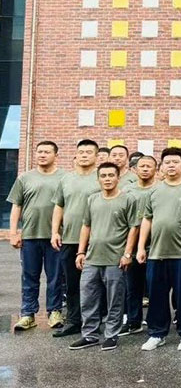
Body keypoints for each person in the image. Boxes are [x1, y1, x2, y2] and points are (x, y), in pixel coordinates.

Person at [137, 147, 181, 351]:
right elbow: (147, 219)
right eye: (167, 162)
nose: (171, 166)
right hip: (156, 253)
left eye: (175, 162)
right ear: (162, 166)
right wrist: (141, 247)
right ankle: (157, 333)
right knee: (156, 295)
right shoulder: (154, 190)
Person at [68, 162, 139, 351]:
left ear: (118, 178)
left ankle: (111, 335)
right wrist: (81, 252)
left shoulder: (128, 199)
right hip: (92, 258)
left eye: (111, 175)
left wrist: (127, 253)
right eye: (103, 176)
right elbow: (86, 226)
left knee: (114, 299)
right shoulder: (92, 199)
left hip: (115, 259)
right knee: (88, 298)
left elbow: (133, 228)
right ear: (98, 179)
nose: (107, 179)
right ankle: (89, 335)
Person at [8, 140, 67, 331]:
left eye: (47, 152)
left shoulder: (65, 178)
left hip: (56, 237)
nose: (42, 155)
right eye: (39, 151)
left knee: (55, 277)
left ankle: (55, 312)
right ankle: (27, 314)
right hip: (30, 236)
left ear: (56, 155)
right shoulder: (25, 178)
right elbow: (16, 206)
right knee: (29, 277)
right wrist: (13, 233)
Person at [50, 139, 100, 338]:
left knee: (96, 283)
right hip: (70, 238)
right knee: (72, 284)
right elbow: (58, 206)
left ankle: (96, 321)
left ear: (96, 156)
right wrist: (55, 232)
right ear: (76, 155)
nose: (84, 155)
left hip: (97, 239)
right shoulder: (66, 179)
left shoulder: (102, 177)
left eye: (89, 152)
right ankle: (73, 321)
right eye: (81, 152)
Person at [119, 154, 157, 336]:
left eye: (149, 166)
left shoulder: (160, 189)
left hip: (155, 245)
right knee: (132, 287)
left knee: (155, 287)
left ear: (156, 169)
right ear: (135, 169)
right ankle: (133, 321)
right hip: (132, 246)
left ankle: (155, 322)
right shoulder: (127, 190)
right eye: (142, 166)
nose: (145, 169)